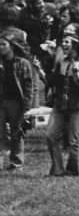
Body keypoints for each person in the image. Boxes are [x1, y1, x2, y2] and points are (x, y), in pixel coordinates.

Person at [46, 34, 79, 176]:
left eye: (67, 42)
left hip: (77, 106)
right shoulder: (61, 62)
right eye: (62, 42)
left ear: (75, 45)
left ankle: (73, 170)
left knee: (74, 140)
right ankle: (57, 169)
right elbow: (51, 81)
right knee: (50, 135)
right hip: (60, 105)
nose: (63, 44)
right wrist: (40, 70)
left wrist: (77, 74)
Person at [0, 34, 34, 171]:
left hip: (15, 101)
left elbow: (28, 87)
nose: (0, 47)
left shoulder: (22, 63)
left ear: (12, 46)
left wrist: (27, 107)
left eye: (3, 44)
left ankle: (16, 162)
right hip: (1, 101)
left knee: (16, 132)